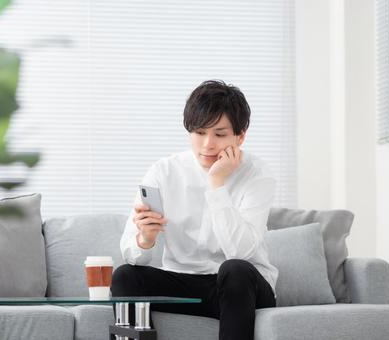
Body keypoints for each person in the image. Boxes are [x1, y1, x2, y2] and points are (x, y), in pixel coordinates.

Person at [111, 79, 278, 340]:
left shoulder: (257, 175)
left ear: (241, 135)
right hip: (185, 283)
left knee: (234, 269)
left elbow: (242, 253)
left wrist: (216, 184)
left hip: (243, 286)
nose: (207, 144)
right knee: (125, 277)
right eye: (199, 132)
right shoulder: (163, 171)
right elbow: (133, 256)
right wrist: (145, 239)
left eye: (220, 134)